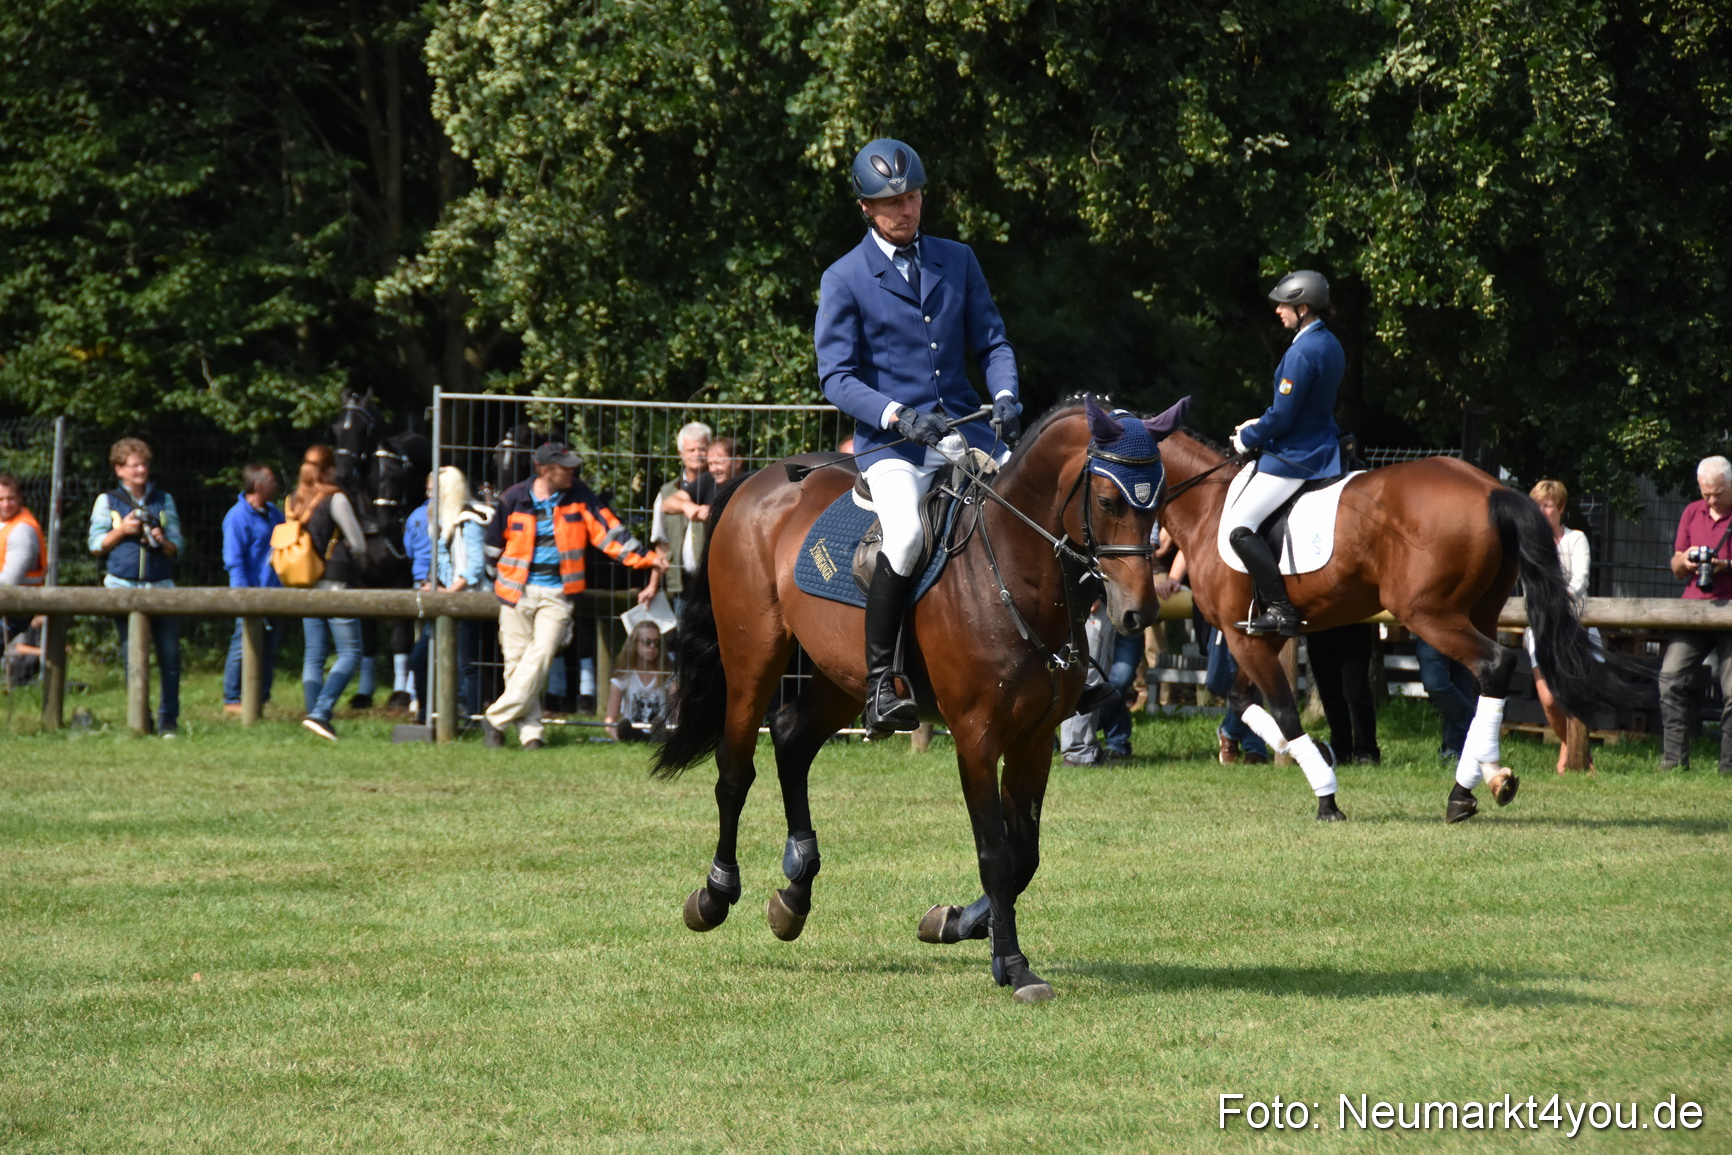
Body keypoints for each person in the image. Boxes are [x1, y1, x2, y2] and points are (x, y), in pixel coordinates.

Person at [816, 137, 1022, 732]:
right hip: (895, 445)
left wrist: (1005, 395)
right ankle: (882, 681)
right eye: (891, 202)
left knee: (1036, 511)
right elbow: (836, 377)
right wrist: (897, 416)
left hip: (965, 430)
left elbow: (993, 342)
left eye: (912, 197)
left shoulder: (957, 259)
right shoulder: (845, 277)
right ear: (866, 208)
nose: (905, 209)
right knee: (905, 536)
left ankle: (1071, 662)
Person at [482, 441, 662, 750]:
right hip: (516, 592)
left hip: (558, 592)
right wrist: (496, 580)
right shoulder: (513, 497)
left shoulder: (580, 495)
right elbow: (491, 547)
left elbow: (610, 534)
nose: (571, 472)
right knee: (516, 663)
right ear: (543, 469)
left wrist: (646, 557)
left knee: (541, 654)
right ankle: (531, 734)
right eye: (564, 468)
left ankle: (495, 717)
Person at [1226, 270, 1346, 637]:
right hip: (1321, 441)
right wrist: (1258, 421)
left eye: (1284, 305)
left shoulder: (1301, 352)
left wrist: (1247, 438)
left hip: (1296, 456)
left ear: (1303, 307)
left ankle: (1281, 609)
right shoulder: (1330, 343)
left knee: (1239, 526)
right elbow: (1304, 408)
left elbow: (1282, 417)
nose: (1278, 311)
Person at [88, 438, 183, 737]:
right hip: (122, 587)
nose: (141, 470)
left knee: (170, 655)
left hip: (161, 587)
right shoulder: (107, 501)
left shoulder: (164, 499)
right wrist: (122, 530)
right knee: (133, 658)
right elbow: (95, 544)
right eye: (134, 465)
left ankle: (169, 721)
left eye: (144, 464)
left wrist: (162, 540)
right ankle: (141, 720)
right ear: (119, 469)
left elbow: (178, 546)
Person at [1658, 455, 1732, 774]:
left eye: (1718, 493)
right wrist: (1686, 560)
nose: (1711, 500)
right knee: (1670, 678)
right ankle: (1674, 761)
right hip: (1694, 609)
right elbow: (1676, 566)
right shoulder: (1691, 511)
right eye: (1706, 493)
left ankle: (1729, 767)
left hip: (1730, 611)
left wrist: (1725, 566)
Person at [290, 445, 369, 741]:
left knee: (314, 655)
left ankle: (313, 715)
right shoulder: (335, 498)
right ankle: (320, 713)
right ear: (330, 469)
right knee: (350, 653)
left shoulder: (294, 499)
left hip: (305, 582)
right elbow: (359, 544)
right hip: (335, 583)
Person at [407, 467, 490, 727]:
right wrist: (434, 584)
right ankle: (426, 716)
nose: (429, 495)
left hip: (467, 601)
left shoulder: (469, 520)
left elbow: (474, 567)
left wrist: (450, 591)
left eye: (434, 490)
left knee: (467, 664)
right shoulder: (440, 520)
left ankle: (472, 720)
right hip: (445, 599)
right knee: (419, 659)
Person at [1526, 478, 1595, 773]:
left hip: (1573, 627)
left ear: (1561, 508)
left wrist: (1559, 599)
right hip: (1540, 628)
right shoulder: (1528, 544)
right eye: (1537, 506)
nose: (1542, 512)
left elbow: (1580, 580)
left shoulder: (1576, 539)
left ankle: (1572, 759)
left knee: (1568, 695)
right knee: (1548, 699)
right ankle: (1580, 753)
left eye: (1547, 506)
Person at [220, 463, 284, 714]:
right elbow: (234, 559)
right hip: (249, 593)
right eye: (271, 480)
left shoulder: (274, 513)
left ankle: (261, 698)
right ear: (258, 485)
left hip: (275, 592)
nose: (275, 484)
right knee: (242, 644)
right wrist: (242, 596)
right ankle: (232, 699)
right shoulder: (237, 516)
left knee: (269, 648)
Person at [644, 422, 715, 617]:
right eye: (691, 450)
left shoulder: (721, 486)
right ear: (680, 453)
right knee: (684, 633)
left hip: (713, 583)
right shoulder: (667, 492)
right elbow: (662, 543)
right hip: (682, 585)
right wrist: (652, 585)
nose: (697, 454)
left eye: (702, 449)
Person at [1307, 625, 1381, 764]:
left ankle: (1367, 750)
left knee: (1356, 692)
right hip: (1318, 629)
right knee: (1329, 693)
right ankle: (1340, 750)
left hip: (1353, 627)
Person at [0, 472, 46, 657]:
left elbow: (8, 582)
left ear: (20, 498)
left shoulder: (22, 531)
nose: (6, 504)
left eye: (10, 498)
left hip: (13, 608)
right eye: (1, 499)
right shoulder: (5, 524)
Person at [605, 620, 674, 742]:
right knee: (625, 727)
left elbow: (677, 717)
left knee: (658, 725)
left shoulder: (668, 675)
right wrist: (618, 739)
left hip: (659, 730)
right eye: (647, 642)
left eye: (657, 643)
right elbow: (610, 720)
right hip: (632, 730)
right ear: (634, 644)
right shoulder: (622, 676)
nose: (652, 646)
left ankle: (657, 737)